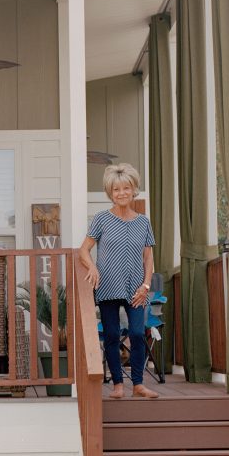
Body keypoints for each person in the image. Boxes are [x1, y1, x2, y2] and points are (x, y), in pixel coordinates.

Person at [79, 163, 158, 399]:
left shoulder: (143, 222)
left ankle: (138, 385)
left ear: (134, 190)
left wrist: (145, 286)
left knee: (136, 333)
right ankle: (117, 385)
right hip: (107, 288)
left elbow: (148, 257)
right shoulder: (101, 219)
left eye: (126, 188)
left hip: (136, 289)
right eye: (116, 190)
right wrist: (92, 266)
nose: (121, 193)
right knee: (112, 335)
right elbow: (84, 250)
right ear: (109, 193)